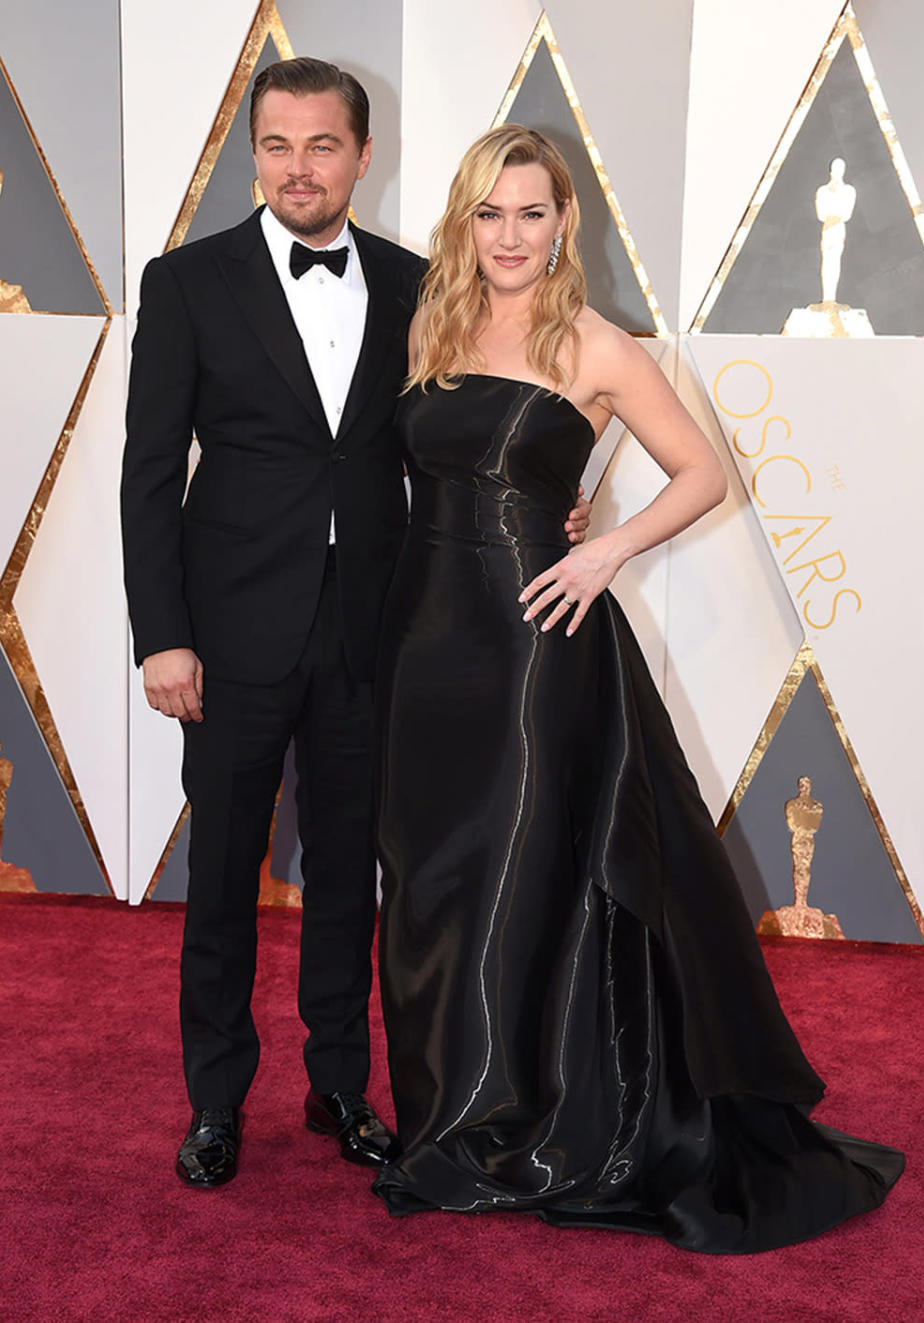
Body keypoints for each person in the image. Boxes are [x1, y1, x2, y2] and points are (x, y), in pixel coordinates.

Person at [371, 125, 904, 1251]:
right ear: (466, 220)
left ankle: (505, 1128)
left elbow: (704, 470)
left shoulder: (597, 344)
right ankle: (447, 1116)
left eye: (532, 212)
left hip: (531, 641)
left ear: (565, 220)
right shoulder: (434, 319)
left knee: (517, 876)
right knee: (430, 883)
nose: (511, 235)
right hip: (425, 642)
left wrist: (606, 548)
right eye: (490, 213)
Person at [121, 60, 589, 1189]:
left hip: (378, 629)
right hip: (228, 633)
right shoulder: (186, 282)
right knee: (226, 869)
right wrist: (161, 634)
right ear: (254, 154)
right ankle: (216, 1101)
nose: (298, 167)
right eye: (277, 145)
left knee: (350, 874)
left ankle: (339, 1086)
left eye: (321, 145)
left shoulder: (420, 283)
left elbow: (470, 422)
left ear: (360, 156)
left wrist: (558, 498)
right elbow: (147, 471)